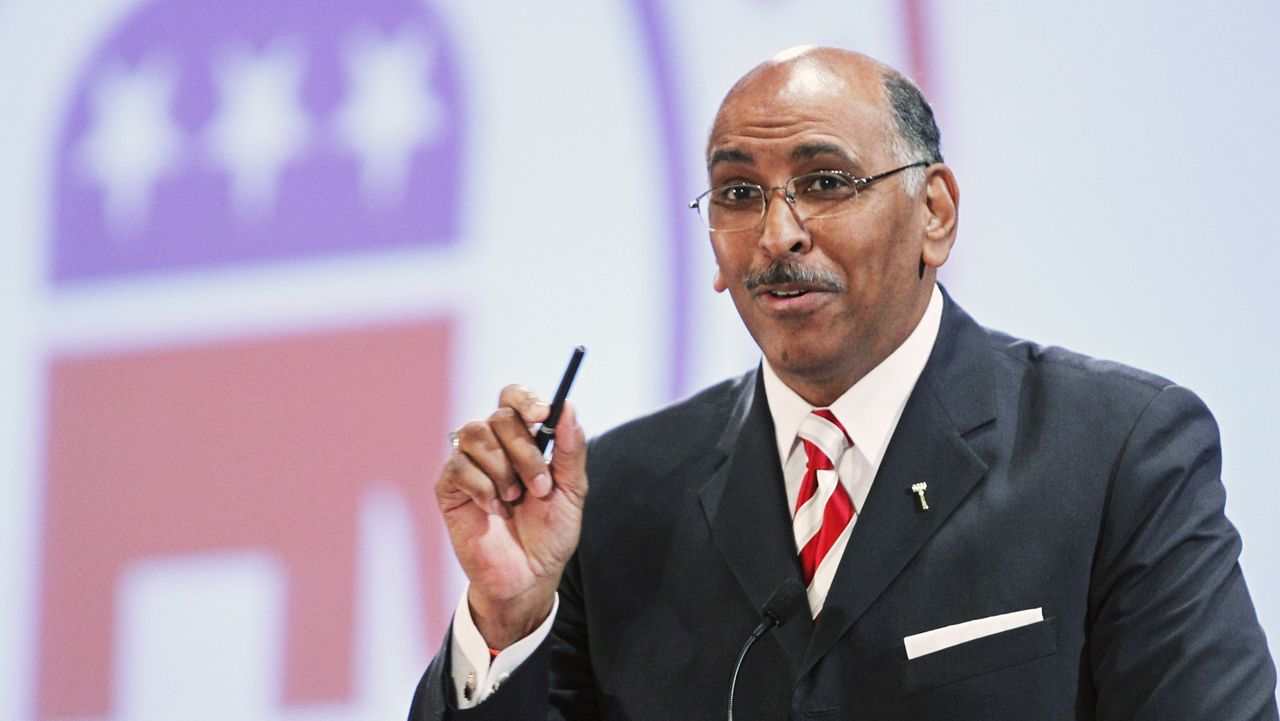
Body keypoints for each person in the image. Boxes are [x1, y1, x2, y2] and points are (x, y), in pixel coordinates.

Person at [408, 46, 1278, 719]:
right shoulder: (619, 496)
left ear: (934, 212)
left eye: (825, 183)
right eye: (738, 194)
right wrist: (507, 617)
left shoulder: (1113, 452)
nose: (776, 234)